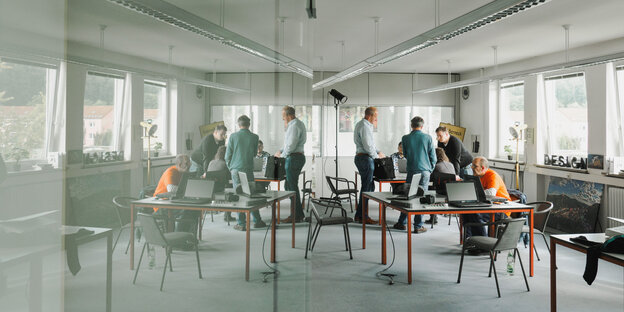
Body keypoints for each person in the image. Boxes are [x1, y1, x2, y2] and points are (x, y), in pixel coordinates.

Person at [393, 116, 436, 234]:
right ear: (422, 126)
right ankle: (418, 226)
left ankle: (402, 223)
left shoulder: (405, 138)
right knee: (422, 198)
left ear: (411, 126)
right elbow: (433, 156)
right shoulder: (428, 137)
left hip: (412, 170)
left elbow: (405, 154)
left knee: (409, 197)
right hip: (425, 171)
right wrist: (430, 169)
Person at [225, 115, 266, 231]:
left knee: (239, 196)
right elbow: (254, 154)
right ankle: (257, 220)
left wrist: (231, 167)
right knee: (250, 195)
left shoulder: (233, 136)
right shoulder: (255, 137)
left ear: (238, 124)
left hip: (236, 169)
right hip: (248, 169)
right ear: (249, 124)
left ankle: (241, 223)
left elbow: (227, 155)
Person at [462, 156, 512, 239]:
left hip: (501, 208)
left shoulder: (492, 175)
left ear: (482, 168)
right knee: (466, 212)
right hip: (489, 205)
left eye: (475, 166)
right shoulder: (478, 176)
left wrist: (473, 193)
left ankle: (482, 243)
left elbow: (491, 193)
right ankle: (470, 241)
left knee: (476, 214)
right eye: (472, 165)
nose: (472, 168)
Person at [275, 106, 307, 223]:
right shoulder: (296, 125)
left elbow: (291, 145)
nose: (284, 120)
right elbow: (288, 144)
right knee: (289, 186)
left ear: (289, 116)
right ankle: (297, 214)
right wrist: (281, 151)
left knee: (292, 187)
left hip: (294, 158)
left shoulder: (294, 126)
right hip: (294, 157)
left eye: (283, 118)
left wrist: (282, 156)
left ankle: (296, 215)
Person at [353, 107, 385, 224]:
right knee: (367, 188)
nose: (376, 119)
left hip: (364, 157)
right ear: (370, 116)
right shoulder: (365, 126)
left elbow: (370, 144)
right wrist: (378, 158)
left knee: (369, 187)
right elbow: (367, 146)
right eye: (375, 117)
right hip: (365, 158)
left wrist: (378, 151)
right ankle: (362, 216)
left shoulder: (363, 125)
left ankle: (359, 215)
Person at [153, 154, 198, 234]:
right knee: (186, 211)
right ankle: (179, 239)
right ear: (180, 165)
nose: (190, 165)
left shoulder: (183, 173)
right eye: (187, 163)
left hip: (174, 201)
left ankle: (189, 237)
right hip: (162, 204)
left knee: (195, 210)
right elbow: (171, 190)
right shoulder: (170, 172)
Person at [425, 148, 456, 224]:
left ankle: (433, 217)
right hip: (452, 191)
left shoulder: (436, 166)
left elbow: (430, 179)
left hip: (441, 192)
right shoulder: (451, 164)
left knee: (427, 190)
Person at [206, 146, 235, 222]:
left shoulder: (211, 162)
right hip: (220, 190)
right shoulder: (225, 164)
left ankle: (226, 215)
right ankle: (227, 215)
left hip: (210, 190)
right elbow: (229, 178)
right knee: (232, 189)